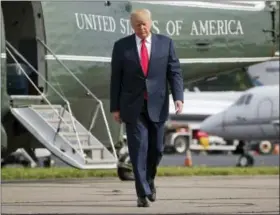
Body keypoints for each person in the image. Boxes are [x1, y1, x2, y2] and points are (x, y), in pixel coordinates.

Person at [110, 8, 184, 207]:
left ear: (150, 23)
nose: (141, 28)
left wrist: (178, 97)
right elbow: (116, 79)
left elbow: (174, 72)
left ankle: (149, 180)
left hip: (158, 104)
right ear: (131, 26)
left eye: (144, 24)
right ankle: (142, 193)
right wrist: (115, 107)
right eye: (137, 25)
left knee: (157, 149)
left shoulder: (165, 43)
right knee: (137, 148)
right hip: (132, 106)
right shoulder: (121, 46)